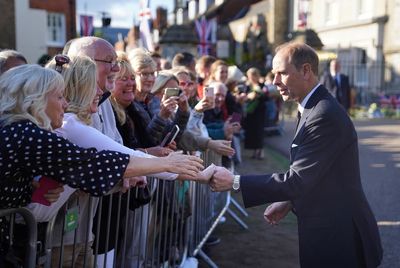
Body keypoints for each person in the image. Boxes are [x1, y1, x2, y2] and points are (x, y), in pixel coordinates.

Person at [209, 42, 382, 268]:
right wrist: (290, 200)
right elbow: (318, 172)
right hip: (328, 230)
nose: (274, 81)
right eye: (273, 74)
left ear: (306, 71)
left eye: (281, 73)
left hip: (340, 238)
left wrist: (234, 182)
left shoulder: (323, 114)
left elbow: (298, 179)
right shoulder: (312, 107)